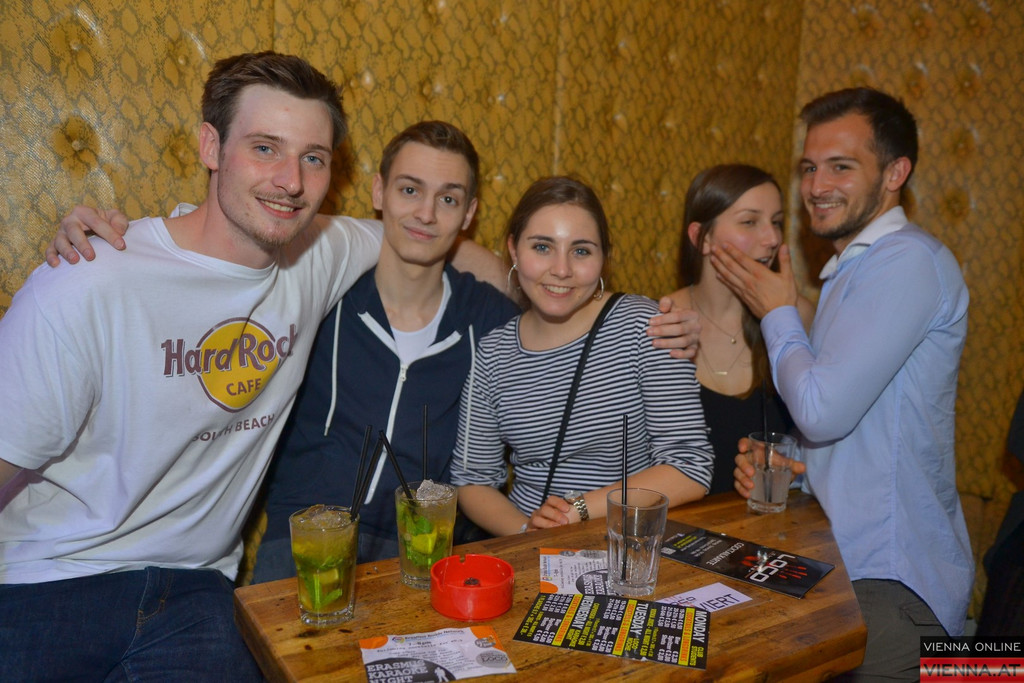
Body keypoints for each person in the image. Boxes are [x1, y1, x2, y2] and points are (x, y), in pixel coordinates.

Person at [0, 51, 384, 680]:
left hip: (194, 590)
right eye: (265, 148)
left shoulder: (317, 253)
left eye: (313, 158)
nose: (291, 181)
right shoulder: (89, 281)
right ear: (211, 146)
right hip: (46, 577)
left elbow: (425, 235)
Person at [716, 87, 972, 679]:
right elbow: (867, 426)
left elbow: (823, 410)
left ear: (895, 173)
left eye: (840, 166)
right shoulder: (852, 270)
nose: (816, 185)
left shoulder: (907, 260)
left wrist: (777, 311)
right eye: (809, 168)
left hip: (891, 584)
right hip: (842, 570)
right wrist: (798, 468)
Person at [254, 121, 520, 577]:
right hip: (307, 537)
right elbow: (221, 250)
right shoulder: (322, 287)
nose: (426, 214)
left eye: (448, 199)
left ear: (469, 213)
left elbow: (570, 336)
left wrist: (644, 321)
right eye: (410, 190)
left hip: (424, 549)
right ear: (379, 191)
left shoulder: (489, 316)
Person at [451, 176, 714, 536]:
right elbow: (472, 480)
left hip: (626, 544)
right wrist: (527, 532)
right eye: (542, 247)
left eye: (581, 251)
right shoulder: (494, 352)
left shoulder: (647, 326)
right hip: (528, 545)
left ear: (604, 257)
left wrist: (575, 512)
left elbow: (690, 468)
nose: (561, 269)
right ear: (513, 250)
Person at [666, 164, 813, 494]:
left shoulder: (796, 316)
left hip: (768, 519)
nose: (772, 239)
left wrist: (791, 467)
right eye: (750, 222)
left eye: (776, 222)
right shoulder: (663, 322)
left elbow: (823, 428)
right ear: (701, 237)